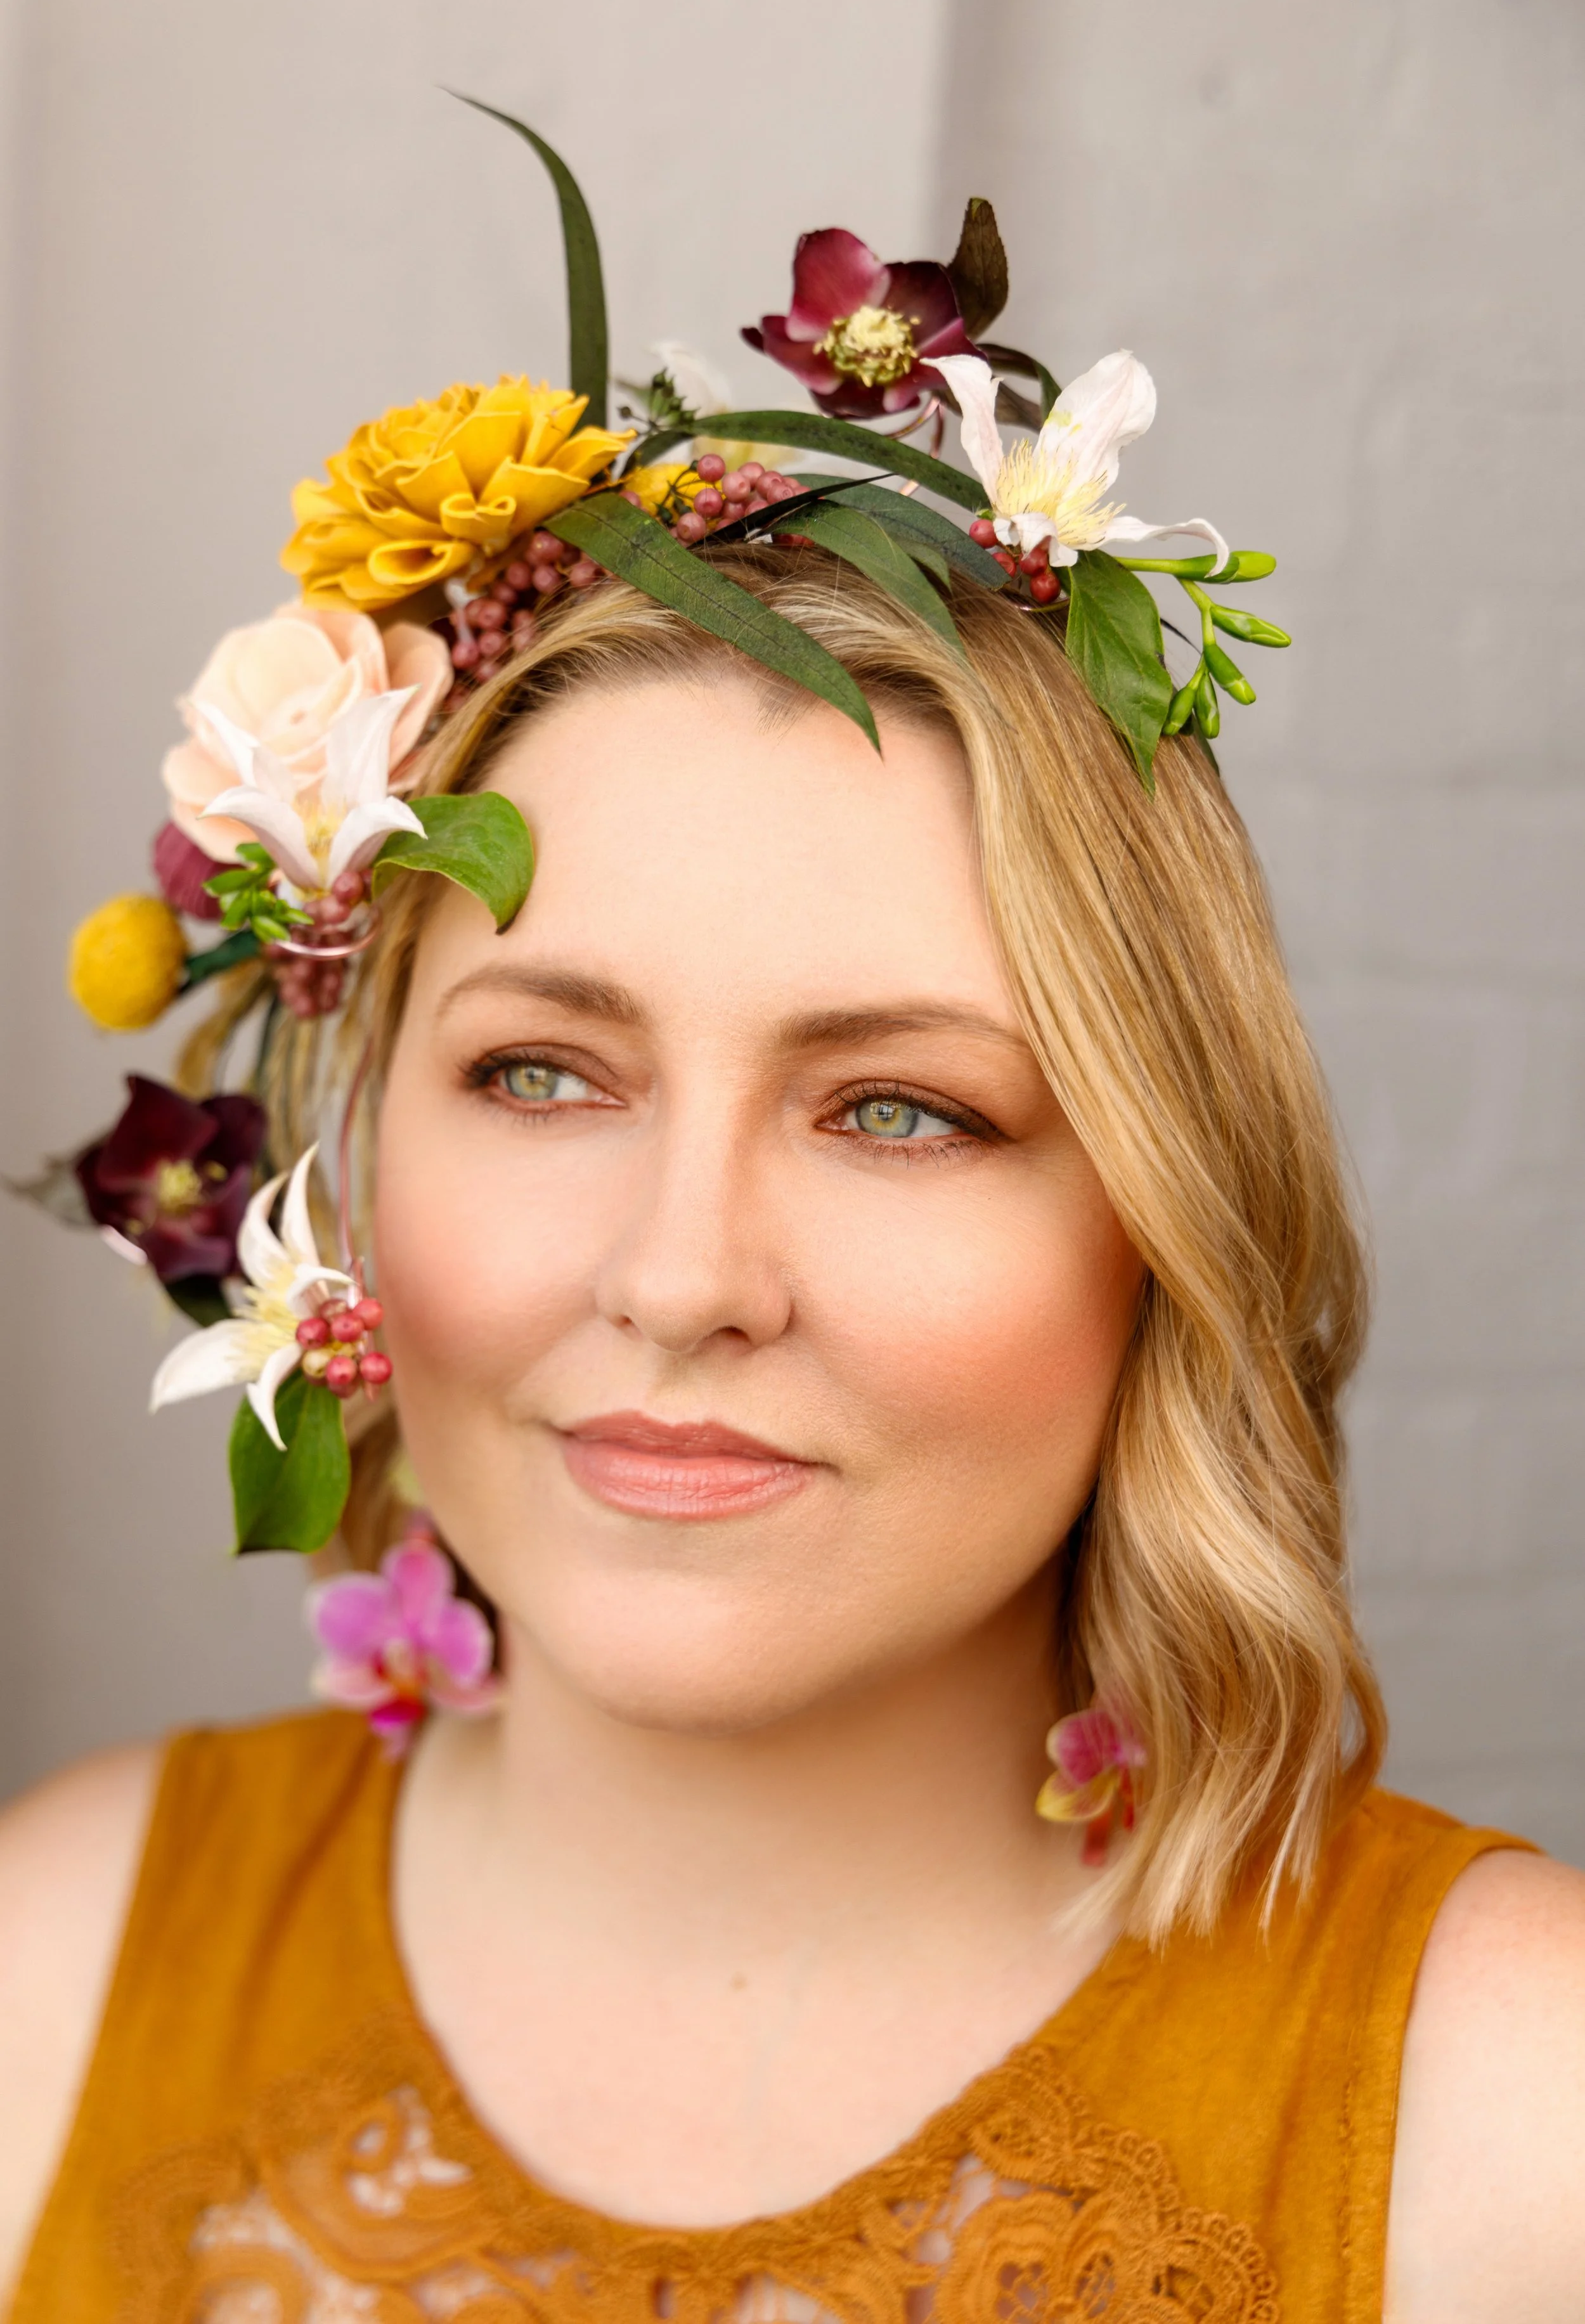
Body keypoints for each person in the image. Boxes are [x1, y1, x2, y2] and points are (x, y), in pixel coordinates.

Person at [2, 164, 1583, 2318]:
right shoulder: (51, 1964)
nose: (678, 1275)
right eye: (543, 1072)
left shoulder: (1516, 2117)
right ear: (347, 1167)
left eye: (900, 1109)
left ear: (1162, 1226)